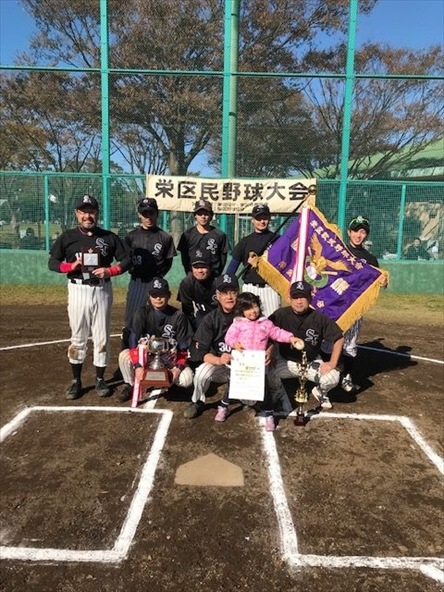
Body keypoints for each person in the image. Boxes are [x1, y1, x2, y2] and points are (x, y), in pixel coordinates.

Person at [48, 194, 132, 400]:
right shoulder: (68, 237)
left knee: (101, 335)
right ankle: (76, 380)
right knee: (78, 336)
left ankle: (100, 379)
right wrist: (71, 266)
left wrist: (110, 271)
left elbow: (127, 260)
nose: (88, 216)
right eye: (83, 212)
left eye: (91, 211)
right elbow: (52, 262)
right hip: (78, 289)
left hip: (102, 289)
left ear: (97, 213)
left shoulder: (109, 237)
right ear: (77, 213)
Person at [220, 292, 304, 430]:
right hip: (242, 363)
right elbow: (229, 337)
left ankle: (269, 415)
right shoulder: (238, 323)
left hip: (259, 365)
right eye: (248, 309)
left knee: (264, 390)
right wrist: (235, 344)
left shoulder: (266, 324)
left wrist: (290, 338)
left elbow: (277, 333)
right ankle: (223, 407)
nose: (253, 311)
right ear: (242, 311)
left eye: (255, 306)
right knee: (233, 386)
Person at [267, 280, 344, 413]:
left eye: (303, 297)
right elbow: (267, 333)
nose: (299, 301)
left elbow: (338, 338)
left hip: (311, 362)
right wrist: (270, 353)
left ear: (310, 298)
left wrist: (332, 362)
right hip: (286, 361)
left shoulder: (319, 318)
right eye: (295, 297)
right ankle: (278, 391)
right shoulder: (280, 314)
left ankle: (320, 391)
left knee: (333, 377)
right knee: (267, 370)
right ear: (289, 298)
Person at [118, 277, 194, 402]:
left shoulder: (178, 316)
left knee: (187, 379)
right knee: (124, 357)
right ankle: (130, 384)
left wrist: (178, 368)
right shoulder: (142, 313)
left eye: (162, 294)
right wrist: (137, 365)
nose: (158, 298)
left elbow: (183, 346)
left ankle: (172, 384)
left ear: (168, 295)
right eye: (154, 295)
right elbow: (132, 340)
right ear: (149, 296)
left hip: (168, 359)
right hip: (146, 357)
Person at [337, 216, 388, 392]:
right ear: (349, 232)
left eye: (362, 232)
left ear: (366, 235)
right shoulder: (339, 251)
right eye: (355, 231)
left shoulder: (370, 258)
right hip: (336, 304)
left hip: (355, 307)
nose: (358, 235)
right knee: (329, 341)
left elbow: (378, 279)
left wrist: (382, 281)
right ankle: (328, 373)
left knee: (350, 344)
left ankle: (347, 376)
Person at [122, 197, 177, 347]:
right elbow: (126, 260)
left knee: (156, 318)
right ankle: (128, 353)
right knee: (132, 320)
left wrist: (158, 277)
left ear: (157, 213)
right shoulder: (131, 236)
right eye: (144, 213)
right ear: (139, 214)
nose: (148, 217)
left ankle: (156, 353)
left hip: (155, 283)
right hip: (137, 282)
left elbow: (168, 262)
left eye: (151, 213)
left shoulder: (165, 237)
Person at [183, 273, 239, 419]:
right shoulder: (211, 319)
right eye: (224, 293)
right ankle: (197, 402)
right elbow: (200, 352)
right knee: (201, 373)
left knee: (250, 401)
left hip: (243, 365)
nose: (229, 297)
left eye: (233, 292)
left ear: (238, 294)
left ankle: (250, 399)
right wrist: (218, 360)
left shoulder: (247, 316)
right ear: (218, 296)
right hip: (220, 365)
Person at [226, 203, 281, 317]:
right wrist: (227, 286)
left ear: (269, 219)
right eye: (258, 218)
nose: (262, 221)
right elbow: (232, 267)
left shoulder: (277, 240)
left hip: (270, 287)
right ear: (252, 220)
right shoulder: (245, 241)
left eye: (265, 218)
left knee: (273, 321)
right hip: (250, 288)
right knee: (248, 321)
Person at [177, 199, 230, 277]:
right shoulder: (187, 235)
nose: (203, 217)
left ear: (211, 215)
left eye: (206, 214)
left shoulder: (220, 235)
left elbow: (222, 258)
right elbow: (184, 258)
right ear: (195, 215)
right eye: (200, 214)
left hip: (213, 277)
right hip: (193, 276)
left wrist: (217, 274)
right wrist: (190, 274)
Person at [177, 249, 218, 331]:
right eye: (196, 267)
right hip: (201, 316)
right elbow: (187, 310)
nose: (200, 271)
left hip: (218, 317)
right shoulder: (187, 283)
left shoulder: (218, 282)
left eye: (203, 267)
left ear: (210, 267)